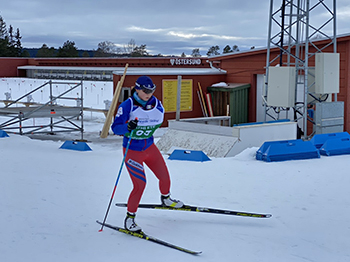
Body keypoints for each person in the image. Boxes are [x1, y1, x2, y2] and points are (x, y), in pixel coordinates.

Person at [111, 75, 184, 232]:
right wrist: (127, 127)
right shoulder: (127, 105)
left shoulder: (157, 104)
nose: (148, 93)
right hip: (132, 150)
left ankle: (166, 199)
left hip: (150, 147)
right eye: (145, 90)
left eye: (151, 90)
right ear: (137, 89)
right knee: (140, 185)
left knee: (164, 177)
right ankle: (130, 219)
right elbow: (115, 128)